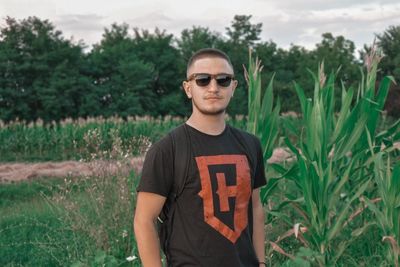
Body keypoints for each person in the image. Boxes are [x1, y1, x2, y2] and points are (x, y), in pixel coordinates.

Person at [134, 48, 266, 267]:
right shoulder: (168, 150)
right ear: (188, 88)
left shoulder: (250, 144)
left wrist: (261, 263)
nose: (213, 88)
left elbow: (255, 207)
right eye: (203, 80)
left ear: (233, 87)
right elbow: (143, 220)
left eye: (223, 80)